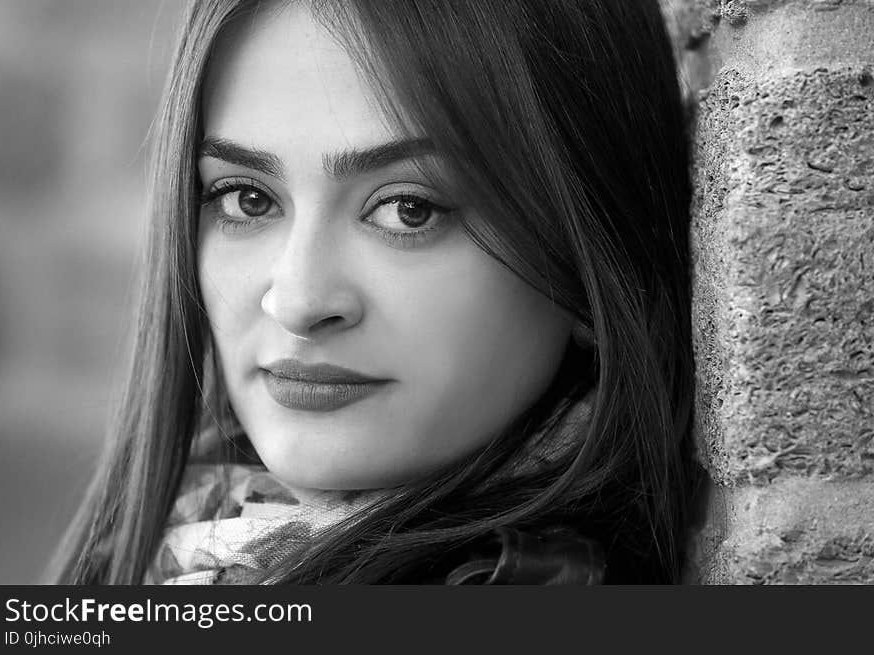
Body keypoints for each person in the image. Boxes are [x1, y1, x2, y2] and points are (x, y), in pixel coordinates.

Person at [51, 0, 697, 585]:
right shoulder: (179, 546)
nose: (299, 301)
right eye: (246, 198)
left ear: (589, 263)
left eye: (408, 210)